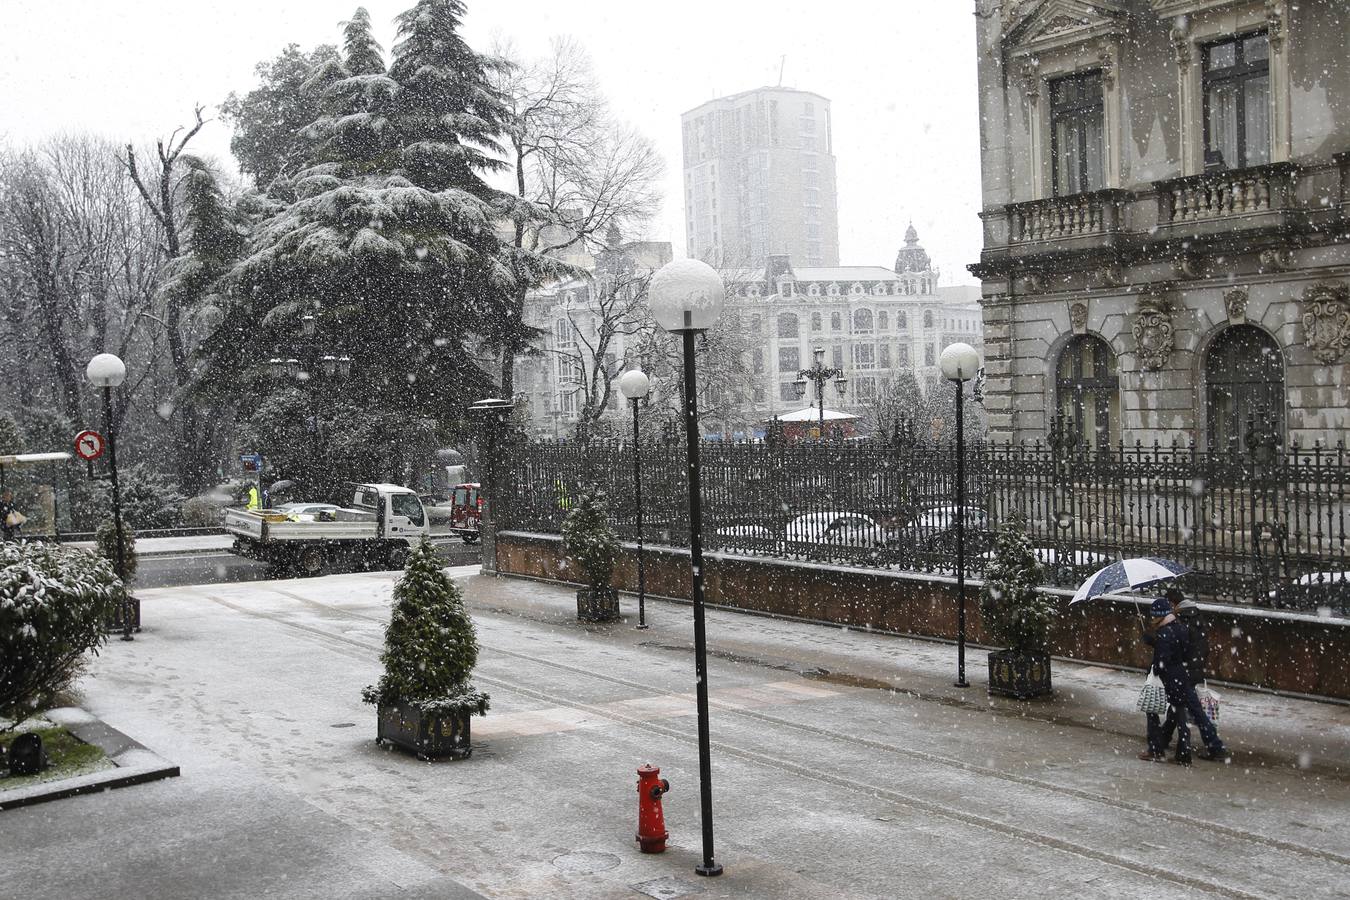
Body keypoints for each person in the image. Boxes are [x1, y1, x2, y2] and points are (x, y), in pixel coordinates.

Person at [1158, 589, 1231, 762]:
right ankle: (1163, 738)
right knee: (1178, 706)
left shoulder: (1182, 619)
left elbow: (1178, 646)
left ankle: (1215, 747)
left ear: (1173, 603)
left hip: (1185, 671)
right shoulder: (1196, 616)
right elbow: (1202, 647)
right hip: (1194, 669)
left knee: (1193, 710)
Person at [1139, 597, 1196, 765]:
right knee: (1180, 715)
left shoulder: (1164, 633)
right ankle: (1184, 753)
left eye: (1154, 616)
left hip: (1166, 679)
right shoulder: (1180, 628)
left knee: (1152, 710)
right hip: (1180, 675)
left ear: (1160, 616)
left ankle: (1155, 749)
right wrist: (1154, 642)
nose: (1153, 620)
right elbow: (1180, 651)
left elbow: (1161, 660)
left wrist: (1154, 669)